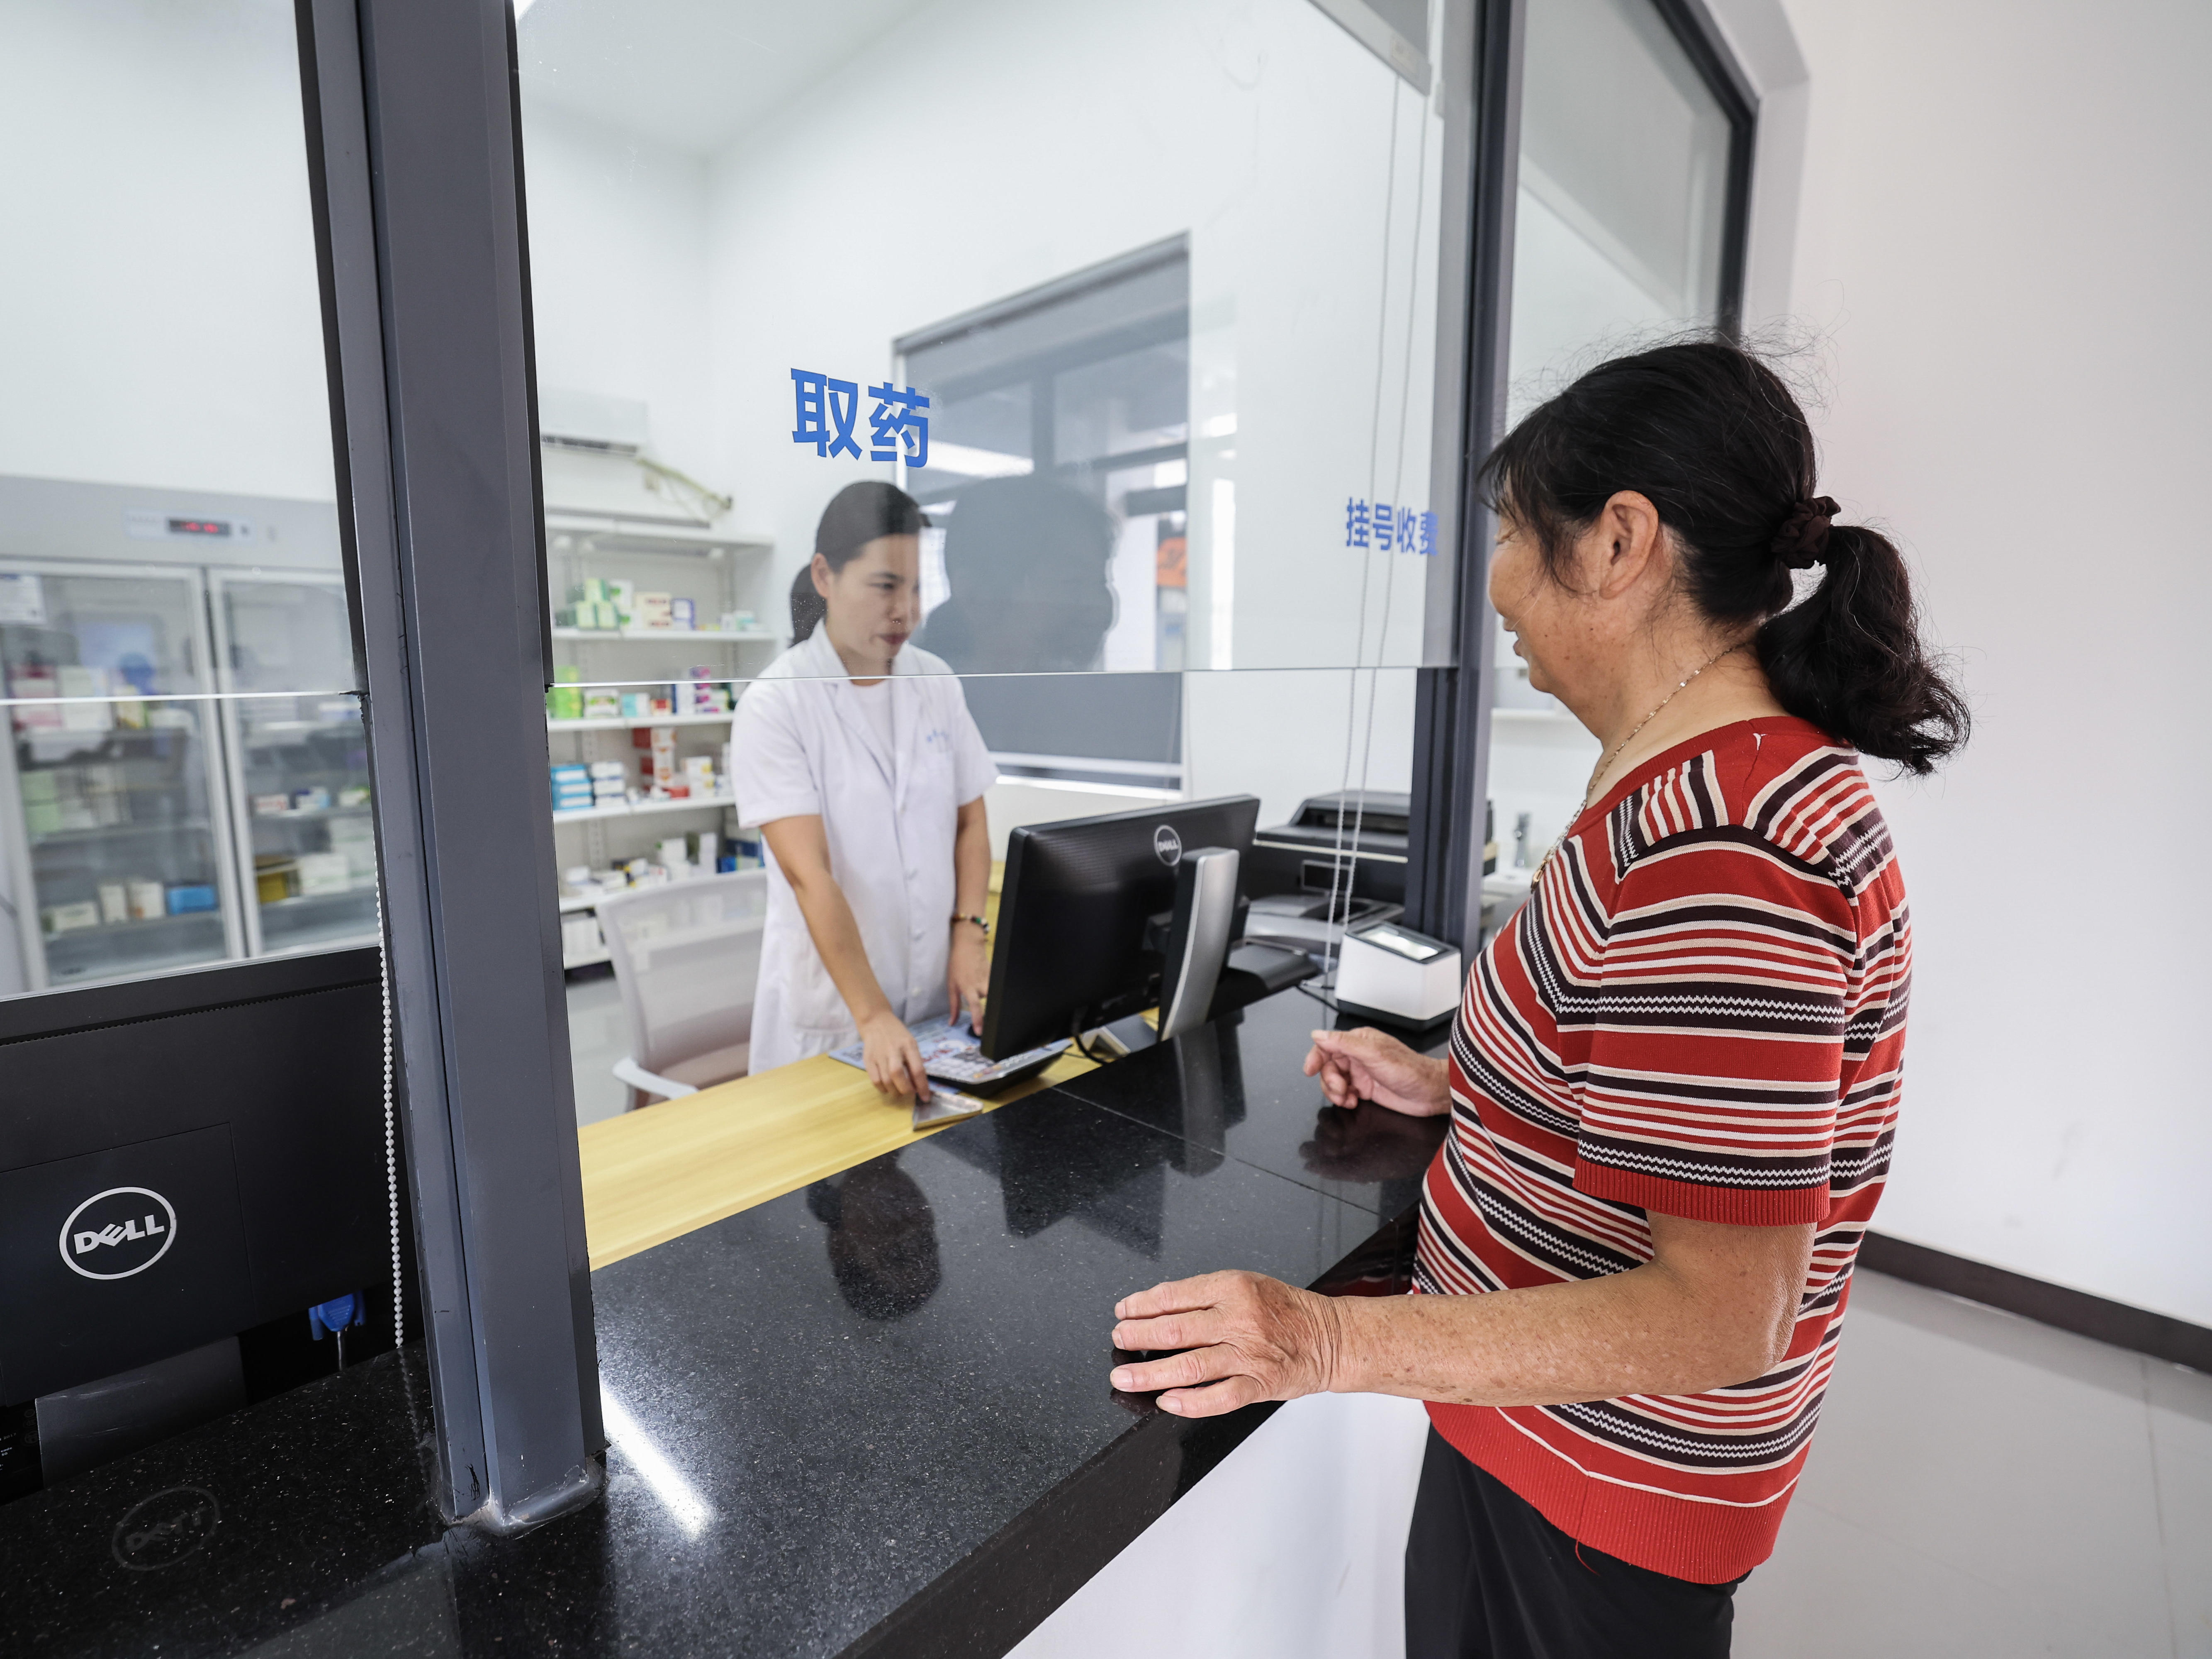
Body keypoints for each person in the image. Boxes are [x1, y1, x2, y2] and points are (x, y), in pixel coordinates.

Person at [1100, 340, 1968, 1657]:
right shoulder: (1696, 779)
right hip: (1548, 1456)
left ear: (1619, 542)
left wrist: (1321, 1342)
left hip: (1595, 1502)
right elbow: (1651, 1071)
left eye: (1510, 532)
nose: (1496, 581)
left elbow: (1720, 1312)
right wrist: (1460, 1085)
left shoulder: (1719, 841)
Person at [731, 482, 998, 1097]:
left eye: (917, 589)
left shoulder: (936, 682)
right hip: (836, 1016)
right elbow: (809, 875)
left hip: (934, 1007)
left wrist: (969, 931)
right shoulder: (776, 705)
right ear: (824, 576)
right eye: (885, 586)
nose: (906, 611)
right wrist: (872, 1015)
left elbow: (971, 821)